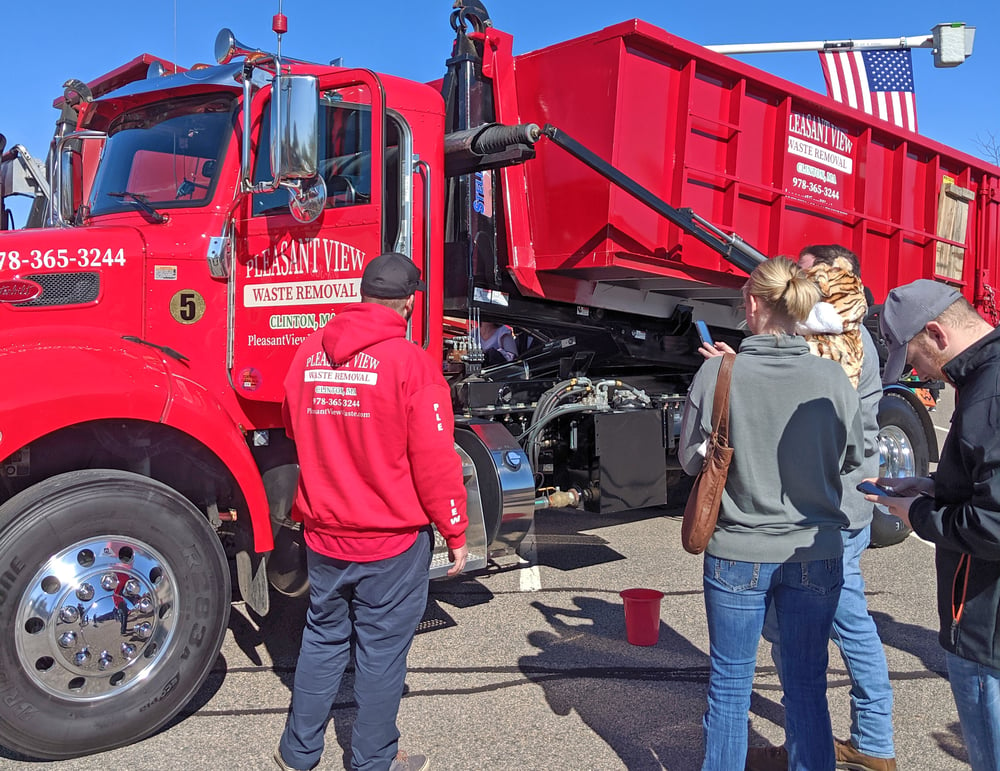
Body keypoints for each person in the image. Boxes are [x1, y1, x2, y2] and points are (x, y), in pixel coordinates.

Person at [276, 251, 469, 771]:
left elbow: (294, 425)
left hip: (323, 532)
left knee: (322, 637)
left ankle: (298, 752)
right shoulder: (412, 365)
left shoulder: (311, 350)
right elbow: (434, 461)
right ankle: (373, 759)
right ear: (408, 303)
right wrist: (455, 530)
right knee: (381, 656)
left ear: (361, 295)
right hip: (391, 542)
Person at [680, 256, 864, 770]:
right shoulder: (831, 377)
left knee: (730, 687)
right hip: (814, 550)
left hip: (737, 550)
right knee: (807, 687)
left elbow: (692, 458)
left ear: (754, 305)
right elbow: (853, 457)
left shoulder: (719, 371)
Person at [743, 245, 897, 771]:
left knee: (822, 626)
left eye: (806, 272)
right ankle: (853, 740)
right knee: (829, 624)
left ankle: (855, 743)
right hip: (841, 502)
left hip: (823, 507)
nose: (797, 282)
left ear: (836, 276)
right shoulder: (849, 339)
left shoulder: (821, 343)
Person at [864, 279, 1000, 771]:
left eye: (915, 357)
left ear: (938, 333)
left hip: (987, 626)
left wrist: (917, 516)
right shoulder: (987, 377)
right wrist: (932, 486)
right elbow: (988, 478)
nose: (918, 373)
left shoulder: (988, 394)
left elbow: (995, 523)